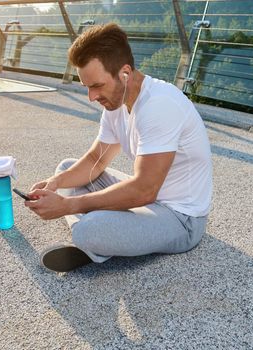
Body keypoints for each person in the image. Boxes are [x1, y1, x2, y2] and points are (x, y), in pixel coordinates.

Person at [25, 23, 212, 273]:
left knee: (87, 229)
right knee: (66, 170)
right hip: (149, 203)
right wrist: (54, 183)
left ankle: (96, 241)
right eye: (87, 87)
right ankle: (107, 239)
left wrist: (69, 206)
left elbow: (145, 190)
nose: (92, 97)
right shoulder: (116, 103)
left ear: (125, 73)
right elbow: (96, 160)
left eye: (97, 86)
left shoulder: (159, 105)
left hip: (181, 218)